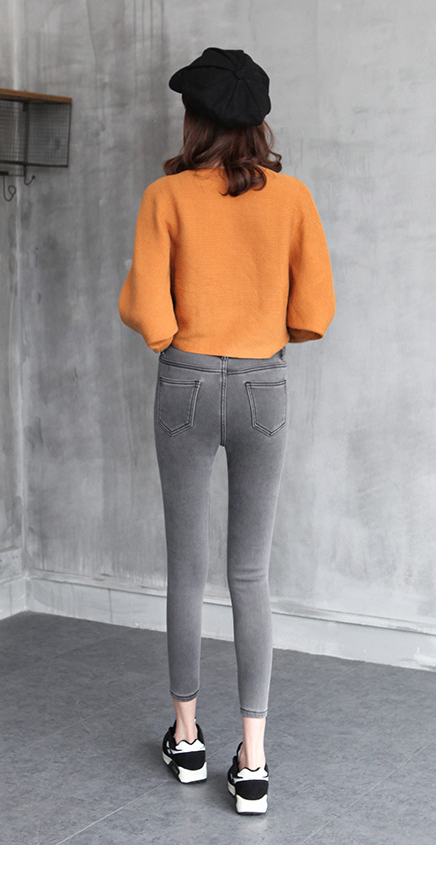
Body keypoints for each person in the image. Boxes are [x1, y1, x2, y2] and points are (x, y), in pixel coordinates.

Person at [118, 47, 335, 814]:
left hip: (184, 380)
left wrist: (184, 337)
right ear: (256, 122)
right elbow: (314, 312)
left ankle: (186, 740)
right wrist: (261, 334)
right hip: (261, 385)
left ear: (196, 119)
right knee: (250, 574)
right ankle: (254, 761)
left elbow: (146, 309)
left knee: (186, 569)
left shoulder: (166, 196)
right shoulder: (294, 198)